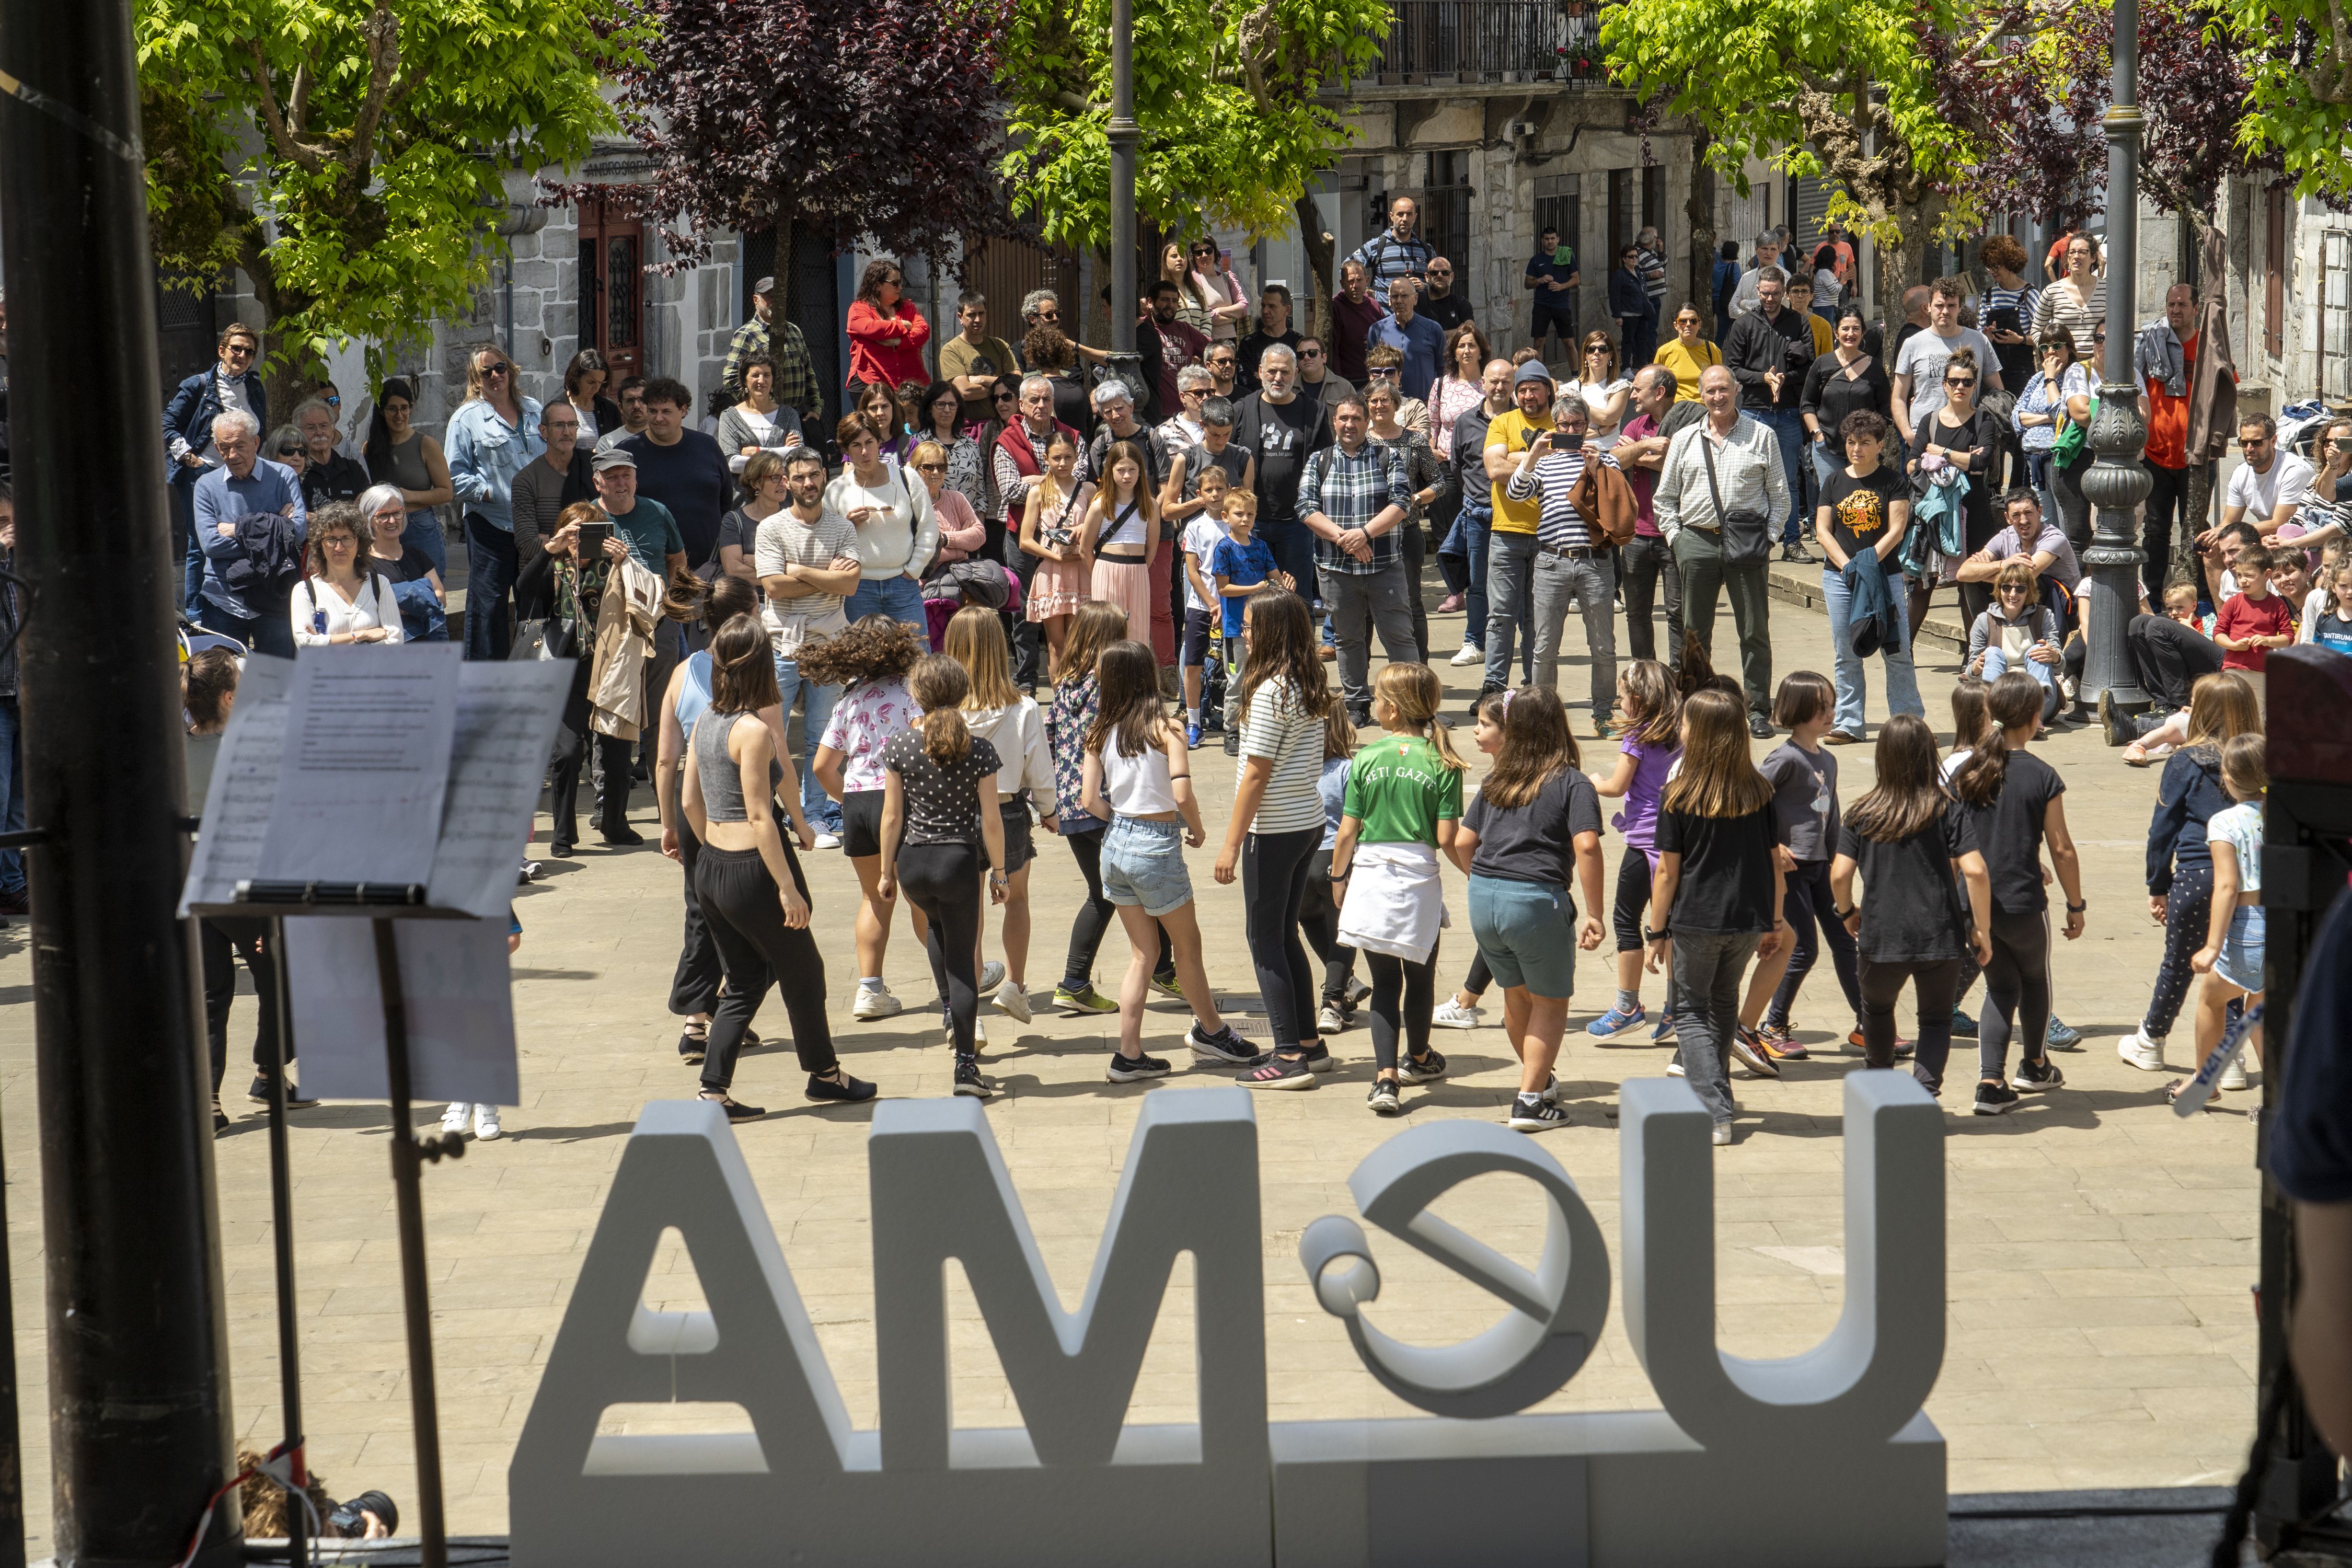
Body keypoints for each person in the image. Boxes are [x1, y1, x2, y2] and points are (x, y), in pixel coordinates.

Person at [683, 616, 875, 1120]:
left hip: (713, 867)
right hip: (754, 869)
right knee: (805, 970)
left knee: (746, 978)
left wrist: (715, 851)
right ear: (762, 665)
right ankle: (825, 1075)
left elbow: (688, 803)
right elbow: (759, 813)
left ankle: (713, 1091)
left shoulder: (705, 722)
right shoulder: (754, 731)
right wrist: (786, 886)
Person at [1082, 639, 1255, 1080]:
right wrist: (1194, 828)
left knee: (1143, 954)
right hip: (1156, 844)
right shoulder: (1168, 729)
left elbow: (1088, 801)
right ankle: (1213, 1032)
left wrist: (1121, 820)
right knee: (1187, 949)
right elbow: (1181, 792)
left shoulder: (1100, 730)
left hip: (1115, 844)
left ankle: (1129, 1055)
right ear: (1148, 677)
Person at [1454, 685, 1606, 1131]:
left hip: (1483, 896)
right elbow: (1588, 847)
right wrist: (1594, 913)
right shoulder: (1572, 782)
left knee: (1515, 995)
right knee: (1553, 1002)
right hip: (1536, 901)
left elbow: (1465, 842)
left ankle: (1536, 1080)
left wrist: (1486, 883)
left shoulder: (1498, 778)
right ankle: (1530, 1101)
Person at [1643, 687, 1788, 1145]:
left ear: (1699, 734)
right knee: (1723, 1004)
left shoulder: (1679, 793)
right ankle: (1715, 1093)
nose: (1679, 729)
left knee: (1689, 1011)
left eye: (1684, 723)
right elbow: (1773, 863)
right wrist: (1776, 922)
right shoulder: (1759, 791)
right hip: (1746, 919)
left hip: (1696, 921)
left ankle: (1713, 1111)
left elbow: (1667, 872)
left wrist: (1656, 930)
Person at [1828, 714, 1993, 1100]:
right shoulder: (1947, 809)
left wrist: (1846, 912)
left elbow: (1839, 875)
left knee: (1878, 1010)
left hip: (1881, 935)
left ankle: (1881, 1088)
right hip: (1940, 934)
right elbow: (1976, 870)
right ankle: (1925, 1091)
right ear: (1927, 756)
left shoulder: (1861, 813)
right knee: (1935, 1020)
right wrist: (1980, 928)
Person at [1211, 591, 1336, 1081]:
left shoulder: (1268, 692)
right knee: (1284, 936)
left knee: (1264, 940)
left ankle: (1288, 1056)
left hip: (1275, 827)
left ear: (1271, 633)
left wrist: (1231, 843)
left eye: (1249, 625)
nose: (1243, 632)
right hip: (1307, 821)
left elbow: (1256, 775)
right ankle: (1309, 1040)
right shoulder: (1307, 681)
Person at [1330, 663, 1465, 1112]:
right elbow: (1447, 838)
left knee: (1385, 981)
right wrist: (1476, 872)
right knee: (1420, 976)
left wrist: (1337, 876)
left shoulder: (1367, 758)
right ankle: (1420, 1057)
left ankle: (1385, 1080)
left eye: (1376, 697)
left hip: (1369, 874)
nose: (1371, 704)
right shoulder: (1444, 761)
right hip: (1418, 880)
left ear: (1392, 709)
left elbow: (1347, 832)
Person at [1945, 671, 2083, 1112]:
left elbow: (1950, 847)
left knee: (1999, 988)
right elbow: (2061, 848)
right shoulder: (2042, 775)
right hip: (2023, 903)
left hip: (1975, 906)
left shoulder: (1966, 772)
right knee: (2034, 980)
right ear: (2037, 717)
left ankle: (1990, 1083)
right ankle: (2035, 1064)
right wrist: (2076, 905)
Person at [875, 654, 1010, 1088]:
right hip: (957, 861)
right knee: (963, 960)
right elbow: (991, 821)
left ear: (916, 695)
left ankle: (950, 1009)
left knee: (935, 930)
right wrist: (1001, 873)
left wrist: (885, 873)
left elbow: (892, 818)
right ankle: (967, 1065)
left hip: (913, 861)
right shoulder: (980, 750)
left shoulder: (898, 746)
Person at [2117, 671, 2261, 1073]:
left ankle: (2151, 1040)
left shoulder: (2185, 760)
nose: (2186, 710)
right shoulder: (2259, 759)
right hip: (2251, 885)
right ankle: (2231, 1059)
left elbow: (2162, 830)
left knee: (2179, 962)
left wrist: (2157, 884)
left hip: (2198, 876)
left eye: (2194, 705)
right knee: (2231, 965)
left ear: (2207, 713)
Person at [801, 616, 930, 1020]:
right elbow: (923, 742)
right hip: (902, 802)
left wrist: (849, 801)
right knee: (921, 898)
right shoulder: (911, 693)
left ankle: (870, 990)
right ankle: (964, 974)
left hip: (857, 803)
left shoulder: (848, 701)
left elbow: (823, 766)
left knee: (874, 898)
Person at [1045, 602, 1171, 1011]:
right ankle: (1161, 973)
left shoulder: (1063, 684)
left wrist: (1047, 802)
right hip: (1109, 804)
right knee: (1154, 885)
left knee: (1105, 893)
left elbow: (1050, 740)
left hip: (1071, 805)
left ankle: (1077, 983)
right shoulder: (1108, 689)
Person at [1654, 365, 1788, 737]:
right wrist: (1677, 540)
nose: (1717, 397)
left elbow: (1780, 497)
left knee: (1754, 630)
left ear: (1736, 391)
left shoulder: (1762, 436)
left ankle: (1758, 708)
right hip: (1696, 541)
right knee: (1694, 633)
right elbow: (1664, 498)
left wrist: (1770, 539)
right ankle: (1696, 707)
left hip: (1748, 544)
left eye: (1723, 390)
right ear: (1700, 394)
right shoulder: (1683, 439)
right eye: (1710, 391)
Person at [941, 608, 1057, 1024]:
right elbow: (1039, 769)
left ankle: (967, 1008)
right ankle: (1015, 987)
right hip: (1007, 813)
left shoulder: (942, 712)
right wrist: (1049, 809)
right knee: (1018, 900)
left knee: (968, 916)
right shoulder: (1023, 707)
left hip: (954, 816)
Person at [752, 446, 864, 843]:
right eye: (799, 477)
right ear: (786, 481)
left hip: (831, 645)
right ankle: (768, 815)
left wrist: (797, 570)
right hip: (781, 644)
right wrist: (822, 575)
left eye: (814, 475)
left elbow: (849, 584)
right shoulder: (771, 528)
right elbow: (773, 588)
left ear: (824, 477)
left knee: (823, 736)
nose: (808, 483)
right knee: (769, 737)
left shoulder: (843, 529)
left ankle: (815, 817)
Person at [1753, 672, 1861, 1062]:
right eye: (1822, 708)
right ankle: (1773, 1025)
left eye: (1831, 705)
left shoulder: (1828, 759)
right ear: (1798, 711)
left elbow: (1830, 817)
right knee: (1802, 949)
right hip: (1791, 872)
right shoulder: (1783, 758)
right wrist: (1772, 847)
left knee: (1846, 942)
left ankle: (1868, 1023)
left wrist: (1838, 863)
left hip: (1820, 866)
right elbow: (1753, 801)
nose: (1830, 713)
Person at [1501, 395, 1623, 731]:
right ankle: (1543, 719)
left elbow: (1617, 500)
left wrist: (1597, 466)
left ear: (1588, 426)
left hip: (1595, 563)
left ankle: (1602, 714)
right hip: (1551, 561)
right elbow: (1514, 494)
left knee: (1603, 646)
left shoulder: (1604, 460)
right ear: (1555, 428)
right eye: (1564, 426)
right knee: (1544, 647)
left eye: (1578, 425)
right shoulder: (1544, 463)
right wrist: (1533, 455)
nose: (1571, 430)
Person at [1581, 660, 1683, 1039]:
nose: (1619, 703)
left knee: (1626, 920)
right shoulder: (1683, 732)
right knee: (1670, 924)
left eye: (1621, 697)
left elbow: (1618, 786)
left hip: (1643, 844)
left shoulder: (1637, 736)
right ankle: (1676, 1006)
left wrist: (1594, 782)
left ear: (1636, 700)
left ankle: (1627, 1007)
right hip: (1677, 844)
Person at [1300, 396, 1416, 724]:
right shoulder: (1319, 461)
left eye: (1356, 419)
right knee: (1347, 639)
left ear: (1367, 423)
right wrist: (1347, 540)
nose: (1349, 425)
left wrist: (1365, 534)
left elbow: (1402, 504)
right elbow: (1306, 509)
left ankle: (1411, 704)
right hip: (1337, 569)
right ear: (1334, 423)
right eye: (1343, 418)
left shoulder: (1388, 456)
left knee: (1399, 637)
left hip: (1384, 566)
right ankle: (1356, 704)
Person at [1812, 409, 1923, 741]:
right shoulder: (1833, 481)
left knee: (1898, 650)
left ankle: (1909, 724)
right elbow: (1822, 530)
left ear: (1879, 445)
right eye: (1850, 442)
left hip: (1885, 576)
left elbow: (1898, 529)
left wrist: (1866, 564)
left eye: (1864, 443)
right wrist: (1848, 566)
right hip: (1839, 577)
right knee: (1846, 651)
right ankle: (1849, 723)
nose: (1856, 449)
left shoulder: (1893, 481)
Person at [2182, 732, 2268, 1102]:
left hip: (2248, 929)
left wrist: (2213, 946)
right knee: (2262, 1007)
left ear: (2228, 779)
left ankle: (2205, 1082)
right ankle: (2282, 1095)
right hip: (2287, 921)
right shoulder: (2287, 814)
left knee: (2212, 999)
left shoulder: (2224, 822)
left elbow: (2227, 887)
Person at [445, 344, 544, 660]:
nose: (495, 376)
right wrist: (490, 492)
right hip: (491, 527)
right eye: (485, 372)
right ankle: (487, 683)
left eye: (499, 367)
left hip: (535, 528)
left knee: (536, 604)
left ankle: (532, 677)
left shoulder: (534, 410)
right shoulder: (465, 420)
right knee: (488, 610)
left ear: (510, 369)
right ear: (475, 380)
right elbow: (454, 477)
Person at [1477, 360, 1563, 706]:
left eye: (1535, 388)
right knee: (1500, 615)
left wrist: (1519, 457)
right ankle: (1493, 687)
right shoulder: (1503, 422)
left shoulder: (1561, 424)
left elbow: (1569, 467)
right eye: (1523, 389)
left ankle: (1533, 689)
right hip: (1507, 532)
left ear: (1548, 390)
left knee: (1537, 619)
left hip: (1549, 534)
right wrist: (1539, 460)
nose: (1528, 395)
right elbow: (1495, 469)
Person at [165, 322, 269, 610]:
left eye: (249, 351)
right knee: (201, 542)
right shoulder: (197, 385)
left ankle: (238, 602)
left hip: (243, 473)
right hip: (203, 473)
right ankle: (197, 614)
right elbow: (167, 424)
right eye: (236, 348)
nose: (242, 355)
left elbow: (262, 430)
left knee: (243, 533)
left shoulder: (255, 387)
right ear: (222, 351)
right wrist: (188, 456)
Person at [191, 410, 306, 658]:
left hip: (274, 591)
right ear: (216, 447)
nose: (232, 455)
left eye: (240, 446)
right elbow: (211, 546)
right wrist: (274, 529)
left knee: (278, 680)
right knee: (222, 682)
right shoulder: (206, 486)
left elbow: (297, 533)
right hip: (223, 596)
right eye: (225, 447)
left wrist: (238, 530)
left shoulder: (282, 476)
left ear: (256, 442)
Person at [1721, 267, 1818, 561]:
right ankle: (1747, 541)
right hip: (1753, 411)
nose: (1770, 299)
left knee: (1788, 481)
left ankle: (1791, 542)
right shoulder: (1744, 325)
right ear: (1757, 292)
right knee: (1748, 478)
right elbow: (1732, 368)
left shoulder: (1799, 323)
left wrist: (1785, 378)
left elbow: (1809, 366)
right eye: (1764, 293)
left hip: (1788, 412)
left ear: (1785, 292)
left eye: (1776, 294)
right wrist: (1763, 378)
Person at [1907, 347, 2007, 630]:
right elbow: (1912, 464)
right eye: (1954, 381)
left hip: (1973, 510)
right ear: (1945, 385)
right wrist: (1964, 458)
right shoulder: (1931, 420)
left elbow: (1983, 463)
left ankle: (1972, 654)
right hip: (1936, 513)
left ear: (1975, 386)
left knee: (1972, 584)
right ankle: (1905, 654)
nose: (1960, 387)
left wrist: (1943, 454)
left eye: (1967, 382)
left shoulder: (1984, 420)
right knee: (1924, 584)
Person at [1236, 345, 1334, 606]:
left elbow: (1326, 463)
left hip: (1297, 523)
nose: (1278, 378)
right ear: (1259, 372)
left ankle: (1300, 648)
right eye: (1272, 371)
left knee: (1298, 599)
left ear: (1295, 374)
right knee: (1253, 599)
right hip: (1251, 522)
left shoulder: (1314, 411)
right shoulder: (1243, 409)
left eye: (1285, 372)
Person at [827, 413, 938, 633]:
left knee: (916, 660)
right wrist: (847, 525)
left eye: (869, 442)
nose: (865, 452)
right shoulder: (836, 490)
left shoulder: (907, 477)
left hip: (904, 585)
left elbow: (928, 528)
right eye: (856, 445)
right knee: (863, 663)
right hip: (857, 589)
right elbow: (826, 542)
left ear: (880, 442)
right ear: (846, 451)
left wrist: (913, 570)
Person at [1301, 706, 1369, 1033]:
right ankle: (1332, 1002)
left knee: (1309, 917)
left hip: (1302, 858)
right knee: (1342, 935)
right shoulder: (1349, 769)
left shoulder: (1296, 767)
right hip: (1335, 860)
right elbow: (1359, 821)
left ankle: (1348, 983)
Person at [1018, 427, 1095, 678]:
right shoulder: (1038, 491)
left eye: (1068, 457)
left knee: (1079, 645)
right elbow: (1025, 541)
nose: (1062, 463)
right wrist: (1056, 557)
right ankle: (1060, 705)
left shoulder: (1088, 490)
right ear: (1046, 459)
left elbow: (1101, 528)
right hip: (1052, 571)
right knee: (1056, 645)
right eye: (1056, 458)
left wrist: (1084, 528)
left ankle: (1079, 701)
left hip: (1081, 570)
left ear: (1076, 457)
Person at [1892, 276, 2003, 451]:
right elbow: (1898, 396)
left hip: (1969, 438)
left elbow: (1999, 394)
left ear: (1960, 308)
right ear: (1928, 307)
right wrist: (1908, 434)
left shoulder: (1979, 341)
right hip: (1923, 438)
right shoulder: (1912, 344)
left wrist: (1987, 434)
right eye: (1939, 305)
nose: (1945, 311)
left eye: (1951, 306)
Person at [362, 377, 456, 574]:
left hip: (419, 525)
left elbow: (447, 493)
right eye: (392, 409)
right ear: (381, 410)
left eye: (404, 408)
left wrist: (408, 496)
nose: (399, 415)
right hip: (382, 528)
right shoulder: (370, 448)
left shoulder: (426, 444)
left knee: (430, 590)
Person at [1082, 439, 1161, 667]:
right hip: (1107, 568)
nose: (1127, 476)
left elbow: (1152, 546)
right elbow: (1086, 549)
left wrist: (1140, 570)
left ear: (1140, 471)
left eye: (1132, 470)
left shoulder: (1151, 505)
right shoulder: (1101, 504)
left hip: (1138, 570)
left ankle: (1136, 687)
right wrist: (1098, 574)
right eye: (1121, 470)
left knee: (1138, 631)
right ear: (1110, 471)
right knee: (1108, 632)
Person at [2012, 333, 2095, 543]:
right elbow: (2016, 417)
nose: (2050, 352)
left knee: (2065, 518)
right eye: (2045, 347)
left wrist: (2051, 378)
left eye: (2057, 346)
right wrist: (2045, 418)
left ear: (2069, 348)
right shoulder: (2036, 379)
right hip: (2034, 459)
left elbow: (2062, 413)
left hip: (2058, 457)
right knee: (2045, 521)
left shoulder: (2073, 376)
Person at [1800, 308, 1891, 493]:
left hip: (1864, 449)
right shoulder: (1822, 364)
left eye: (1856, 329)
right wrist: (1818, 435)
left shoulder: (1875, 366)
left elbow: (1885, 409)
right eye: (1845, 329)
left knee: (1862, 500)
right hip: (1827, 449)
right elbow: (1807, 403)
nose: (1851, 334)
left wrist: (1873, 440)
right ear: (1836, 332)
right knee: (1833, 500)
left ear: (1863, 332)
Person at [291, 503, 403, 648]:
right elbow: (306, 646)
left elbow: (396, 641)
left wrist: (328, 642)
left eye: (347, 538)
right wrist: (362, 636)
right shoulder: (304, 591)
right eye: (331, 539)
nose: (339, 547)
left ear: (359, 543)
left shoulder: (380, 584)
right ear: (320, 545)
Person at [510, 400, 596, 589]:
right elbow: (528, 544)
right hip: (546, 579)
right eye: (559, 425)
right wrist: (586, 544)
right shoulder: (526, 480)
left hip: (593, 580)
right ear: (543, 431)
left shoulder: (593, 469)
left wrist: (550, 539)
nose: (567, 432)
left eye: (572, 424)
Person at [723, 275, 822, 430]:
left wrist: (816, 409)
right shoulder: (746, 334)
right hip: (765, 418)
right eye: (769, 296)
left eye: (779, 296)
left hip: (797, 415)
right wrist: (755, 404)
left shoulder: (794, 331)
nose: (774, 301)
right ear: (756, 300)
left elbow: (809, 372)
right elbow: (730, 377)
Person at [364, 482, 447, 639]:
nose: (392, 521)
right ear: (369, 520)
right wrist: (424, 598)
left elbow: (441, 597)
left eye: (397, 513)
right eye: (383, 515)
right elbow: (373, 609)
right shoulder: (364, 564)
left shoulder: (417, 554)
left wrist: (403, 603)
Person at [2223, 414, 2314, 545]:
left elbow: (2279, 524)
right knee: (2213, 549)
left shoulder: (2294, 470)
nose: (2249, 449)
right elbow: (2228, 522)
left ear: (2273, 441)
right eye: (2244, 443)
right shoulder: (2241, 472)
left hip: (2298, 537)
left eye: (2257, 442)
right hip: (2265, 535)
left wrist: (2236, 533)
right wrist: (2217, 534)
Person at [937, 291, 1022, 426]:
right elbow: (964, 392)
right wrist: (1002, 387)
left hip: (1003, 425)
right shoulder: (951, 350)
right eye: (971, 315)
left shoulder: (1000, 345)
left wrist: (983, 380)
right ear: (960, 317)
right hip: (969, 428)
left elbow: (1017, 383)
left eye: (981, 314)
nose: (977, 319)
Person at [846, 258, 931, 390]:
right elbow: (872, 329)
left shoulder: (908, 307)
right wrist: (903, 325)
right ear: (878, 285)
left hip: (909, 384)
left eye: (900, 282)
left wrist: (897, 342)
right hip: (872, 384)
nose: (900, 287)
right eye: (895, 283)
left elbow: (923, 332)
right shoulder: (859, 309)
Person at [715, 355, 804, 478]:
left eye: (767, 375)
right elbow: (733, 463)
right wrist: (783, 452)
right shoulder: (729, 418)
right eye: (755, 375)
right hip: (746, 496)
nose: (761, 381)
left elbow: (798, 456)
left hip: (782, 495)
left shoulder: (789, 415)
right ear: (745, 381)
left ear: (773, 380)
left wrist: (758, 451)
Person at [2212, 543, 2293, 676]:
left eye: (2249, 576)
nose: (2243, 581)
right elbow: (2218, 633)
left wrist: (2268, 641)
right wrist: (2234, 645)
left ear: (2267, 575)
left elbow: (2288, 637)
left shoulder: (2277, 605)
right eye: (2239, 575)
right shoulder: (2233, 603)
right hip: (2233, 668)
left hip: (2263, 672)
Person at [1367, 275, 1445, 400]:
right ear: (1389, 300)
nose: (1399, 301)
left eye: (1404, 296)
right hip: (1388, 405)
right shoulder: (1377, 330)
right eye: (1395, 296)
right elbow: (1372, 371)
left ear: (1415, 298)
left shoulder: (1433, 330)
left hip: (1425, 404)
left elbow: (1442, 371)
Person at [2032, 232, 2106, 361]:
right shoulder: (2052, 292)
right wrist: (2051, 350)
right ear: (2067, 258)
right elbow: (2037, 329)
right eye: (2072, 252)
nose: (2076, 256)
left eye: (2083, 252)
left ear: (2093, 258)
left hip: (2098, 365)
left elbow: (2119, 328)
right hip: (2063, 365)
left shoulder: (2107, 290)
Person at [1347, 194, 1435, 291]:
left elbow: (1439, 284)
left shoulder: (1427, 250)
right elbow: (1346, 269)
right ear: (1392, 216)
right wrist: (1364, 295)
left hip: (1419, 306)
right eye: (1400, 214)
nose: (1405, 219)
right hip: (1385, 306)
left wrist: (1425, 286)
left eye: (1409, 214)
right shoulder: (1376, 246)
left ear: (1415, 217)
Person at [295, 398, 369, 508]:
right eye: (311, 428)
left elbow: (368, 509)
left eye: (324, 426)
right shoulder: (295, 473)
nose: (319, 432)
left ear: (333, 430)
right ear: (299, 434)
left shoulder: (354, 469)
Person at [1565, 331, 1633, 448]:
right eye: (1591, 349)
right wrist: (1600, 432)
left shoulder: (1620, 386)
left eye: (1603, 349)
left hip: (1609, 452)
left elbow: (1606, 418)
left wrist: (1576, 402)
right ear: (1586, 356)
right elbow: (1567, 434)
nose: (1596, 353)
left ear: (1610, 355)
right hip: (1576, 452)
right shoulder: (1570, 388)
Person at [1526, 226, 1580, 361]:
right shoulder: (1536, 260)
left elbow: (1576, 279)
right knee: (1538, 342)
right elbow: (1527, 284)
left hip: (1562, 305)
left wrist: (1561, 286)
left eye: (1553, 239)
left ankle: (1575, 376)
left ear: (1558, 239)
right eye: (1547, 239)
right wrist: (1539, 280)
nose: (1550, 242)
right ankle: (1538, 374)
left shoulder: (1567, 255)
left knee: (1569, 342)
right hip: (1541, 305)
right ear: (1542, 241)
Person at [1329, 260, 1387, 388]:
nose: (1355, 285)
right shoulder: (1336, 307)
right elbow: (1334, 350)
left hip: (1375, 378)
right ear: (1342, 283)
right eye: (1350, 281)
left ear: (1367, 280)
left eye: (1360, 280)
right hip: (1349, 381)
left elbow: (1385, 339)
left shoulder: (1374, 305)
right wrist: (1338, 382)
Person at [1239, 285, 1305, 390]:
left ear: (1287, 310)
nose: (1265, 311)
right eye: (1263, 306)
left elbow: (1304, 379)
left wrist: (1263, 377)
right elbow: (1246, 382)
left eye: (1272, 306)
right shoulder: (1249, 344)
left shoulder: (1299, 343)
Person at [1653, 305, 1722, 403]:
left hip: (1705, 411)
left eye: (1693, 321)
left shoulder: (1711, 349)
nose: (1688, 325)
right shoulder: (1664, 352)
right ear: (1676, 325)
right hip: (1676, 412)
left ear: (1700, 324)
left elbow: (1720, 381)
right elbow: (1656, 386)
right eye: (1683, 321)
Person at [560, 348, 622, 446]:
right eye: (591, 382)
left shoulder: (609, 408)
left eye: (600, 383)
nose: (596, 389)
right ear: (576, 378)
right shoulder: (558, 407)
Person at [1610, 247, 1652, 371]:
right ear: (1624, 259)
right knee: (1628, 341)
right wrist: (1618, 315)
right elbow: (1614, 296)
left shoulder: (1638, 272)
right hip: (1628, 314)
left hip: (1642, 313)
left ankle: (1641, 365)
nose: (1634, 259)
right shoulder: (1620, 275)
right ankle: (1626, 367)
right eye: (1631, 257)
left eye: (1636, 256)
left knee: (1642, 340)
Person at [1729, 232, 1786, 318]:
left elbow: (1772, 306)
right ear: (1756, 249)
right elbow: (1732, 310)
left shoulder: (1785, 276)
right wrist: (1754, 319)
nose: (1769, 253)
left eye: (1773, 249)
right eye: (1764, 249)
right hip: (1745, 330)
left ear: (1779, 251)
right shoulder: (1746, 277)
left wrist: (1744, 303)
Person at [1296, 336, 1356, 412]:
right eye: (1301, 354)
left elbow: (1356, 417)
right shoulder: (1288, 387)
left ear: (1324, 358)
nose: (1306, 357)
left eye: (1312, 353)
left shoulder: (1344, 387)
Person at [1419, 255, 1474, 337]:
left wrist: (1432, 336)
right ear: (1427, 277)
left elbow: (1470, 330)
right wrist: (1457, 332)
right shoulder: (1416, 301)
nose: (1440, 276)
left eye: (1445, 273)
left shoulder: (1462, 303)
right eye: (1434, 273)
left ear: (1451, 277)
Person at [595, 376, 651, 453]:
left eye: (642, 399)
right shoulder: (607, 444)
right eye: (630, 401)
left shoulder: (664, 436)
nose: (636, 406)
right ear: (621, 407)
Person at [1711, 240, 1742, 345]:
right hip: (1727, 303)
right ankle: (1715, 357)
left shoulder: (1715, 267)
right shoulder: (1734, 266)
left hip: (1716, 302)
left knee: (1720, 333)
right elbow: (1738, 285)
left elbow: (1713, 285)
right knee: (1725, 334)